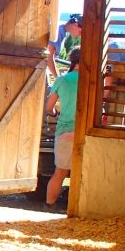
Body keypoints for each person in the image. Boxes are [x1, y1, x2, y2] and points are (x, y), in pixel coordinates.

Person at [45, 46, 80, 208]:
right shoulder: (93, 80)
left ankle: (49, 206)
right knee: (82, 175)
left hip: (65, 132)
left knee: (59, 173)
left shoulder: (61, 80)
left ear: (72, 60)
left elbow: (49, 108)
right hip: (85, 133)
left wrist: (54, 114)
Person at [47, 13, 83, 79]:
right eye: (80, 32)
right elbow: (49, 56)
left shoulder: (62, 31)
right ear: (75, 25)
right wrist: (57, 78)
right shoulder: (59, 31)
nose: (80, 35)